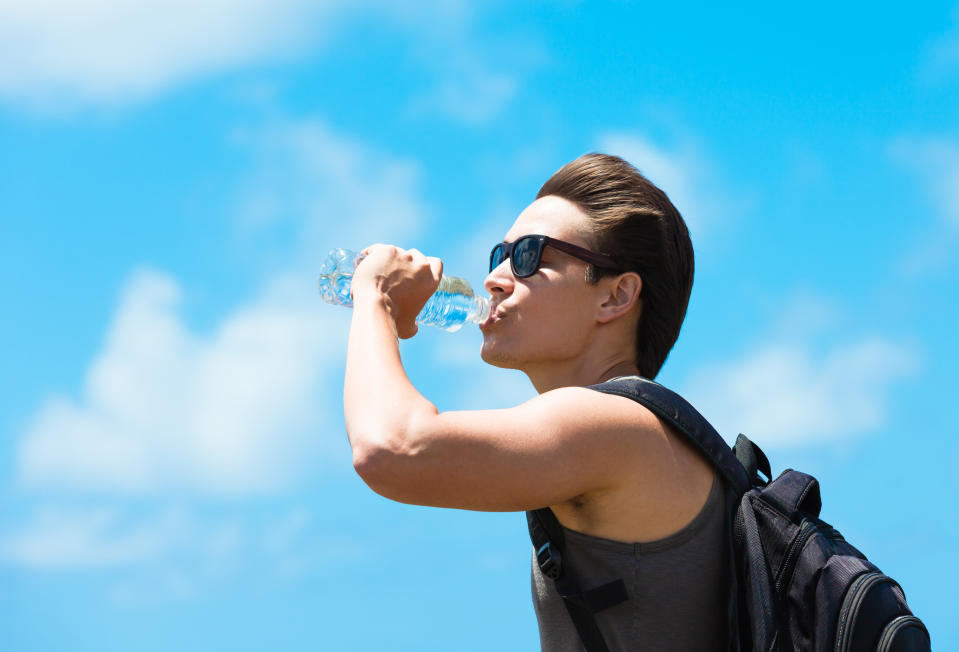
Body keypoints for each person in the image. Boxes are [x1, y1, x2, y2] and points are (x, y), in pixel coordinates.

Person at [343, 153, 728, 650]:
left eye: (528, 255)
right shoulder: (623, 434)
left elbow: (390, 448)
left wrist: (376, 294)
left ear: (615, 297)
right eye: (498, 256)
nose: (495, 278)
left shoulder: (618, 425)